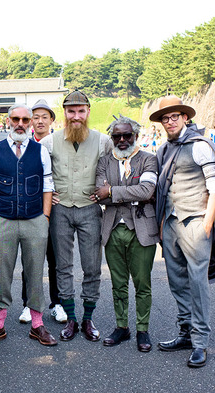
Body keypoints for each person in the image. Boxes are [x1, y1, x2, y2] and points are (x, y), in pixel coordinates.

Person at [150, 95, 215, 368]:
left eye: (174, 116)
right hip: (170, 222)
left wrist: (207, 224)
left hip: (195, 221)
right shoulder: (165, 149)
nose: (169, 121)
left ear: (185, 117)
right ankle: (185, 332)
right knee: (177, 281)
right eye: (165, 118)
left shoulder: (199, 146)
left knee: (197, 282)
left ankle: (201, 341)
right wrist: (161, 222)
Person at [0, 103, 57, 347]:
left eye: (25, 119)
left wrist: (44, 218)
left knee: (35, 273)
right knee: (1, 274)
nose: (20, 123)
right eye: (16, 119)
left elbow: (47, 186)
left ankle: (37, 324)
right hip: (3, 220)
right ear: (8, 121)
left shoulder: (40, 150)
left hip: (35, 220)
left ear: (31, 122)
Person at [40, 90, 112, 342]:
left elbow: (113, 171)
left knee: (92, 265)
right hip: (61, 210)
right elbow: (37, 173)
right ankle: (71, 318)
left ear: (88, 112)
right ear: (65, 113)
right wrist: (46, 195)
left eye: (81, 111)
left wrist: (105, 193)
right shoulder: (48, 142)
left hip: (89, 209)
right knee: (63, 266)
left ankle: (88, 318)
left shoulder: (103, 141)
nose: (76, 116)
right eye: (71, 111)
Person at [94, 116, 158, 352]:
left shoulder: (149, 159)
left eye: (126, 135)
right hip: (111, 229)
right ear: (111, 138)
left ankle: (143, 329)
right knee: (118, 284)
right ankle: (122, 326)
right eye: (116, 136)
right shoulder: (104, 162)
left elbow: (147, 189)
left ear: (136, 136)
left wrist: (111, 190)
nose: (122, 140)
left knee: (143, 283)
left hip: (142, 229)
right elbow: (97, 192)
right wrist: (127, 193)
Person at [17, 99, 65, 324]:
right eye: (34, 117)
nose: (39, 121)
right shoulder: (21, 144)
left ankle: (58, 303)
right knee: (31, 259)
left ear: (52, 120)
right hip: (32, 209)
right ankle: (29, 304)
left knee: (56, 259)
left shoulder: (62, 143)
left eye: (44, 117)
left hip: (57, 210)